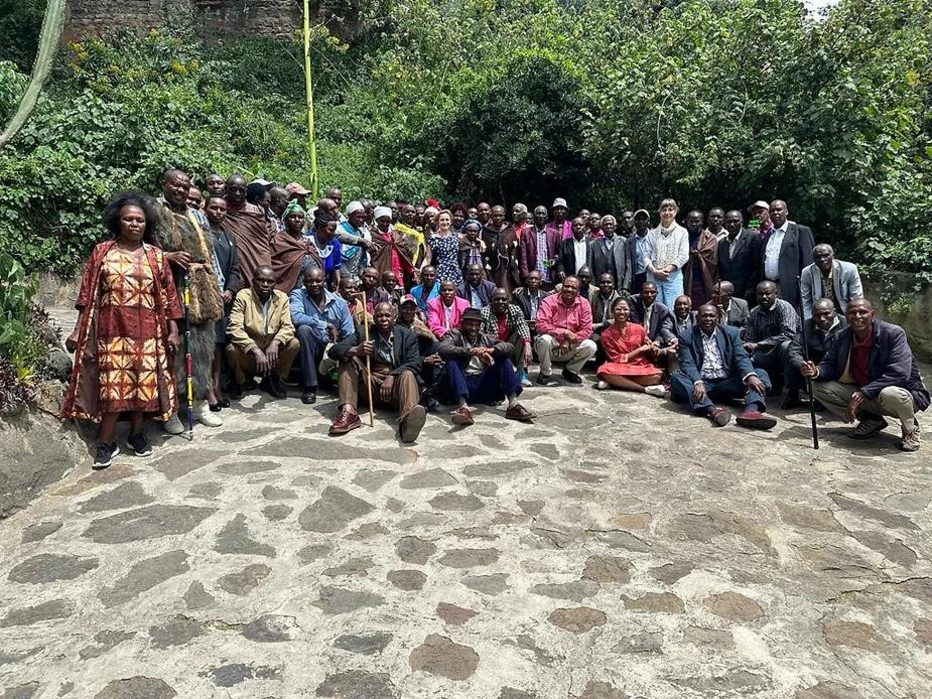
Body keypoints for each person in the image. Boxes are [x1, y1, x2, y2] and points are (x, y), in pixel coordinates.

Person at [63, 192, 182, 468]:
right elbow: (86, 295)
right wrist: (78, 330)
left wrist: (173, 330)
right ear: (118, 222)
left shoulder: (155, 256)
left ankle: (136, 435)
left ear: (146, 223)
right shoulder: (102, 252)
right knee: (113, 388)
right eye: (128, 219)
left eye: (139, 220)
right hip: (111, 331)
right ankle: (106, 443)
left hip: (149, 333)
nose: (134, 224)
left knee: (143, 385)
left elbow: (168, 296)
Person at [802, 299, 927, 451]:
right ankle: (871, 420)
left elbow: (900, 373)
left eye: (862, 312)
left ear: (872, 314)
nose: (857, 316)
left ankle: (910, 428)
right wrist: (816, 371)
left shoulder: (893, 333)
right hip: (865, 393)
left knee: (891, 393)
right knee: (815, 385)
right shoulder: (842, 336)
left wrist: (863, 393)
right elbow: (829, 364)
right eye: (852, 313)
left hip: (901, 395)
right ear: (846, 317)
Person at [154, 169, 224, 431]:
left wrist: (214, 284)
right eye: (176, 185)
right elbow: (143, 247)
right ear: (165, 185)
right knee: (171, 350)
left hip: (199, 290)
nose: (180, 191)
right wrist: (167, 258)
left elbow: (209, 255)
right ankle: (169, 410)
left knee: (202, 348)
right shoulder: (153, 211)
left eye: (185, 187)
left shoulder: (196, 215)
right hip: (167, 287)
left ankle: (199, 405)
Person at [327, 302, 427, 442]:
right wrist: (356, 350)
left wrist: (392, 376)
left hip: (397, 389)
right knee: (347, 358)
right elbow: (334, 351)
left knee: (408, 374)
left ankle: (407, 420)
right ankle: (349, 413)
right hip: (370, 386)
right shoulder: (364, 332)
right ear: (374, 317)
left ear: (394, 317)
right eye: (379, 315)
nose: (383, 319)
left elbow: (415, 362)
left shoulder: (407, 335)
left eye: (387, 315)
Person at [671, 304, 777, 429]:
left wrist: (750, 375)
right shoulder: (687, 336)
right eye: (704, 316)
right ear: (697, 318)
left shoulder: (731, 332)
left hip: (727, 381)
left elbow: (740, 357)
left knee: (759, 374)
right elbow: (687, 363)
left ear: (718, 317)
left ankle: (751, 412)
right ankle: (712, 411)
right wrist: (697, 382)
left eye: (711, 316)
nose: (708, 319)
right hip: (704, 384)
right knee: (677, 377)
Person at [439, 308, 536, 425]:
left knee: (504, 359)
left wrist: (492, 350)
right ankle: (463, 408)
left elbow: (509, 347)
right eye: (470, 324)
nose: (473, 328)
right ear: (463, 323)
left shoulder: (486, 338)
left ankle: (513, 405)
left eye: (476, 325)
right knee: (452, 361)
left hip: (483, 386)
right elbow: (443, 349)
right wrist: (471, 352)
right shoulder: (454, 334)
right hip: (461, 385)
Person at [225, 265, 300, 400]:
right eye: (261, 280)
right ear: (253, 281)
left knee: (294, 344)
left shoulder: (282, 298)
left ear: (275, 284)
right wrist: (255, 349)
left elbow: (288, 327)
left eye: (270, 281)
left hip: (272, 352)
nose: (265, 284)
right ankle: (240, 381)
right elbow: (234, 327)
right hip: (250, 352)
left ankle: (273, 379)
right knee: (231, 349)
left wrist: (276, 343)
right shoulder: (244, 296)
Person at [290, 267, 354, 405]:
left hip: (330, 351)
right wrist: (325, 325)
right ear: (304, 282)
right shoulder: (298, 295)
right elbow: (296, 316)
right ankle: (310, 386)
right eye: (310, 281)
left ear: (324, 281)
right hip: (308, 348)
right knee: (304, 330)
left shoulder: (339, 303)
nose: (314, 284)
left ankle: (328, 379)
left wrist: (341, 350)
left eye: (318, 281)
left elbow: (349, 333)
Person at [204, 194, 240, 411]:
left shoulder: (229, 236)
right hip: (206, 299)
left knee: (218, 346)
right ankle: (207, 392)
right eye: (214, 208)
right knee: (206, 347)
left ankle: (217, 389)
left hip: (223, 300)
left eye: (222, 209)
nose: (218, 212)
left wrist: (229, 289)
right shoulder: (200, 234)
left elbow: (235, 268)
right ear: (206, 209)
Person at [782, 297, 847, 409]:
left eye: (826, 314)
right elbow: (794, 348)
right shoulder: (806, 326)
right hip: (811, 363)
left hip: (835, 364)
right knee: (787, 350)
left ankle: (824, 397)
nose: (822, 319)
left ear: (834, 312)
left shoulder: (846, 325)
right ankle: (793, 394)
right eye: (817, 315)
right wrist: (802, 364)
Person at [595, 297, 666, 395]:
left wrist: (652, 349)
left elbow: (650, 350)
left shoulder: (639, 328)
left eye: (625, 309)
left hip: (640, 365)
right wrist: (639, 350)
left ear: (629, 311)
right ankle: (645, 389)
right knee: (603, 371)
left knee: (657, 376)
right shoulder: (606, 335)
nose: (622, 312)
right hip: (619, 366)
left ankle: (616, 382)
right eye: (618, 309)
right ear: (612, 311)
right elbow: (616, 358)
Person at [534, 275, 597, 385]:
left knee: (591, 346)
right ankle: (545, 372)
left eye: (573, 288)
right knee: (544, 339)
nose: (569, 289)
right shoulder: (549, 301)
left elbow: (587, 329)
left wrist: (568, 340)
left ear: (578, 291)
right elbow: (540, 325)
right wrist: (564, 332)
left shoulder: (584, 303)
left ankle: (571, 371)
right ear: (561, 287)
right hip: (551, 346)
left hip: (570, 347)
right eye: (566, 286)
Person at [741, 282, 799, 394]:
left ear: (775, 294)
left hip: (790, 350)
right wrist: (749, 346)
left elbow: (788, 335)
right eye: (760, 294)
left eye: (767, 294)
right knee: (750, 355)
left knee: (785, 346)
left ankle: (793, 392)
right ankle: (766, 386)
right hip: (767, 352)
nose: (764, 297)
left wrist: (758, 345)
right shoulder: (754, 313)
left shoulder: (784, 307)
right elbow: (750, 340)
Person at [758, 199, 815, 307]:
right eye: (772, 211)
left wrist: (806, 288)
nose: (775, 213)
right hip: (770, 287)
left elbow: (808, 262)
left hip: (792, 288)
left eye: (779, 209)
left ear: (786, 211)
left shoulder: (800, 231)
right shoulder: (768, 235)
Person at [225, 174, 273, 288]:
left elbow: (262, 244)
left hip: (254, 259)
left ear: (246, 192)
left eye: (241, 190)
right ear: (226, 189)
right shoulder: (220, 209)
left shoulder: (256, 212)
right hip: (229, 263)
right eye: (233, 189)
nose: (237, 193)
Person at [397, 294, 443, 411]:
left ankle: (432, 393)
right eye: (405, 308)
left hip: (419, 356)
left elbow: (432, 340)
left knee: (437, 351)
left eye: (411, 308)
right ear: (400, 309)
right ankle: (424, 395)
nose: (408, 311)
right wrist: (424, 360)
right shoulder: (395, 325)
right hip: (404, 361)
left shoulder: (419, 325)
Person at [480, 288, 533, 384]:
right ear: (491, 300)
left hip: (510, 345)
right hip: (492, 347)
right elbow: (480, 334)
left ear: (509, 300)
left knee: (521, 338)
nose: (500, 302)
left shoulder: (515, 310)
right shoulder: (485, 312)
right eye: (497, 299)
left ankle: (520, 374)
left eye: (503, 299)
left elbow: (522, 326)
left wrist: (528, 346)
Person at [644, 198, 689, 307]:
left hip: (673, 277)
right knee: (654, 308)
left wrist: (667, 269)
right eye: (664, 210)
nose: (667, 213)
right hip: (653, 276)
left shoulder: (682, 232)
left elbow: (683, 255)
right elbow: (645, 256)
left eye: (670, 209)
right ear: (659, 212)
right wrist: (655, 271)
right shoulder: (651, 234)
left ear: (675, 212)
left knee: (674, 308)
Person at [800, 244, 864, 319]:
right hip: (820, 316)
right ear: (813, 259)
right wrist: (808, 322)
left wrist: (853, 318)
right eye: (818, 257)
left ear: (833, 255)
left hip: (844, 313)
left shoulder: (849, 269)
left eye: (826, 255)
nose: (822, 259)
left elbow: (856, 298)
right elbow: (805, 301)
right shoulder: (807, 273)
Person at [368, 206, 417, 289]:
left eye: (387, 221)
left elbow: (403, 256)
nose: (385, 224)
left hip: (398, 274)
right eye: (382, 221)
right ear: (377, 221)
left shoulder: (396, 235)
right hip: (381, 272)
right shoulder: (372, 236)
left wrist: (412, 271)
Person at [718, 209, 760, 303]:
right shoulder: (722, 243)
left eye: (735, 221)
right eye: (729, 222)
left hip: (747, 291)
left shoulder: (752, 238)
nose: (732, 224)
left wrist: (752, 288)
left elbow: (757, 266)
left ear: (742, 222)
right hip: (728, 293)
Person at [270, 199, 310, 292]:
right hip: (286, 289)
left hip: (307, 289)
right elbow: (274, 265)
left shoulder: (308, 241)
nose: (297, 220)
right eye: (292, 216)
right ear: (285, 220)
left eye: (300, 217)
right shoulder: (278, 240)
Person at [682, 209, 718, 308]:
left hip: (703, 279)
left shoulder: (710, 238)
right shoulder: (681, 236)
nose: (694, 224)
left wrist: (698, 255)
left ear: (702, 222)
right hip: (685, 277)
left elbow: (713, 261)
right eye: (691, 221)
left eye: (697, 221)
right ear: (686, 221)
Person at [519, 205, 560, 287]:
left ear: (546, 217)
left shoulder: (554, 233)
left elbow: (558, 252)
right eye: (538, 213)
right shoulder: (526, 233)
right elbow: (523, 257)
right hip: (532, 278)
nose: (540, 216)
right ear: (534, 216)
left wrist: (555, 259)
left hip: (548, 276)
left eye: (543, 214)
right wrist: (526, 275)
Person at [482, 205, 521, 291]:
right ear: (491, 216)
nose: (498, 218)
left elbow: (515, 250)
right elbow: (485, 252)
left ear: (504, 215)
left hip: (508, 269)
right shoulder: (486, 232)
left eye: (500, 215)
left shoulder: (510, 230)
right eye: (495, 216)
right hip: (492, 269)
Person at [303, 209, 343, 290]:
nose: (334, 233)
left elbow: (336, 267)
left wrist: (338, 284)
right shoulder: (307, 242)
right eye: (331, 230)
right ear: (321, 228)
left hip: (323, 287)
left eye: (334, 230)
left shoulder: (334, 244)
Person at [627, 282, 675, 347]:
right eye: (646, 292)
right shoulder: (632, 301)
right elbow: (634, 321)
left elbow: (661, 330)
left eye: (653, 292)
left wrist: (656, 343)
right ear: (640, 293)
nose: (650, 295)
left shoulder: (662, 310)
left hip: (653, 342)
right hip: (634, 338)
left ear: (657, 293)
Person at [587, 214, 628, 290]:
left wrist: (625, 286)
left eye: (610, 224)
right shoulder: (593, 244)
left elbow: (628, 265)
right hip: (600, 284)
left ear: (615, 226)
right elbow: (590, 266)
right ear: (602, 227)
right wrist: (593, 286)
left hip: (619, 283)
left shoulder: (623, 241)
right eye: (606, 225)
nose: (608, 226)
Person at [426, 210, 463, 285]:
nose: (445, 222)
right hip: (440, 272)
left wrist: (480, 241)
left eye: (447, 220)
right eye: (442, 220)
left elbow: (471, 239)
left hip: (455, 271)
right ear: (438, 222)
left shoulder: (457, 237)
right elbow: (428, 258)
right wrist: (421, 271)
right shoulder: (433, 238)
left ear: (451, 221)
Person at [337, 201, 370, 279]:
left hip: (355, 273)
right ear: (349, 215)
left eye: (363, 217)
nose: (361, 220)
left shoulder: (359, 232)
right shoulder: (340, 229)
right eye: (358, 217)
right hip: (341, 271)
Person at [513, 270, 551, 336]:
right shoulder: (519, 296)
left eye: (536, 279)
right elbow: (514, 315)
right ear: (526, 281)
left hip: (541, 329)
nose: (533, 281)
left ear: (541, 282)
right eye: (531, 278)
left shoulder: (547, 297)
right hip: (524, 328)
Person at [622, 209, 651, 294]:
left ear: (648, 221)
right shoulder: (630, 241)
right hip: (638, 277)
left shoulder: (655, 237)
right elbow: (629, 264)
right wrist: (626, 286)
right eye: (638, 219)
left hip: (653, 276)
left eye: (643, 219)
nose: (641, 222)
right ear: (634, 222)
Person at [590, 273, 621, 346]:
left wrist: (600, 324)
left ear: (613, 285)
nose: (605, 284)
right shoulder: (593, 296)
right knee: (594, 339)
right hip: (596, 331)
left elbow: (618, 319)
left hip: (612, 330)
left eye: (609, 282)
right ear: (598, 284)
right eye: (602, 282)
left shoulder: (618, 299)